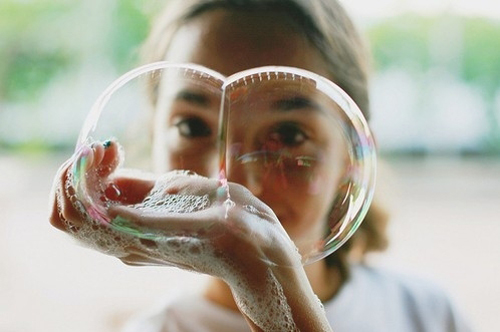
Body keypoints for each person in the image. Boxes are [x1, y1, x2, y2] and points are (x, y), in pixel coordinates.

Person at [49, 0, 473, 331]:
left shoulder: (429, 317)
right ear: (152, 134)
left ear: (352, 154)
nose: (236, 180)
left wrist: (272, 293)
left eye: (288, 135)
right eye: (192, 125)